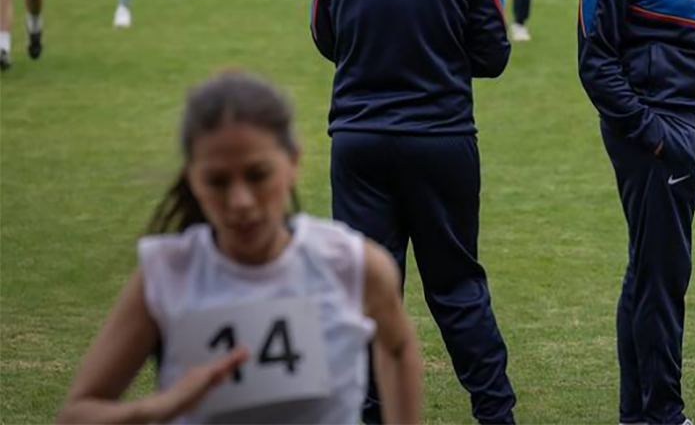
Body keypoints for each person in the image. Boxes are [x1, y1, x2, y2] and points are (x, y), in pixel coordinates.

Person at [56, 71, 423, 425]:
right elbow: (76, 414)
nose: (241, 201)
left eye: (257, 174)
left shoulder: (351, 265)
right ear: (192, 179)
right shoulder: (165, 273)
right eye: (217, 181)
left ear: (293, 161)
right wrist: (161, 406)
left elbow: (399, 347)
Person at [311, 0, 516, 425]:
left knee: (369, 292)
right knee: (457, 287)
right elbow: (495, 55)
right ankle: (495, 413)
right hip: (441, 140)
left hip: (359, 141)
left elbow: (327, 40)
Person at [578, 0, 695, 425]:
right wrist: (655, 136)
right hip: (656, 137)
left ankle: (640, 414)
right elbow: (596, 63)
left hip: (681, 129)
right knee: (662, 286)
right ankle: (664, 414)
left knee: (648, 276)